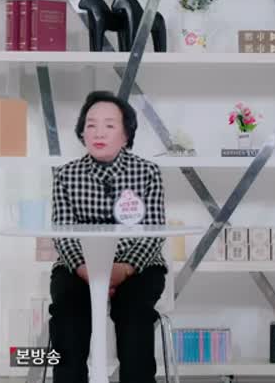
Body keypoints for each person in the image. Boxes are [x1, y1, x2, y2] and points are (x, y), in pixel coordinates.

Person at [49, 90, 167, 383]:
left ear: (126, 135)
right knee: (67, 318)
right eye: (90, 125)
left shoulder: (148, 172)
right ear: (82, 132)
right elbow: (63, 233)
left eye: (109, 125)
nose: (98, 132)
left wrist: (122, 270)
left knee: (135, 317)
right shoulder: (65, 175)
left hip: (137, 267)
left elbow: (153, 232)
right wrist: (87, 270)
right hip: (78, 268)